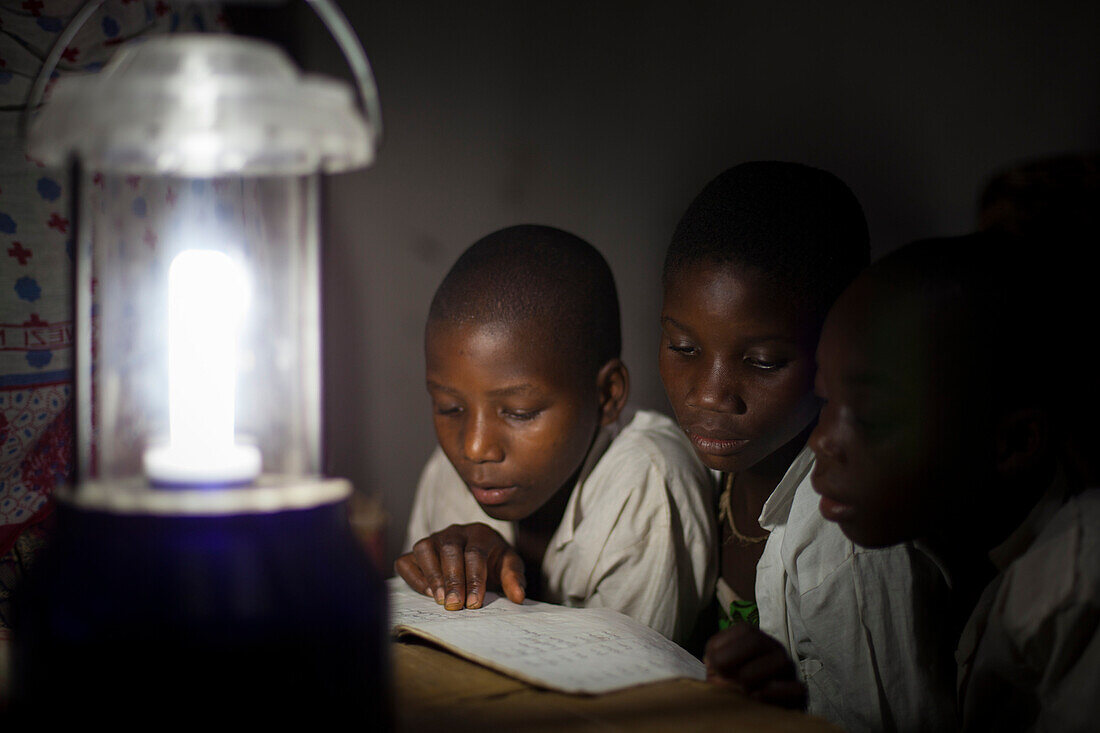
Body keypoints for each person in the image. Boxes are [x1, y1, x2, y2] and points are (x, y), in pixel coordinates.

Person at [660, 162, 956, 729]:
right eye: (682, 347)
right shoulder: (704, 475)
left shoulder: (847, 541)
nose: (710, 394)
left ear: (838, 346)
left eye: (764, 362)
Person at [809, 235, 1100, 728]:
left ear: (1013, 442)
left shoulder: (1076, 588)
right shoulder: (940, 535)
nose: (821, 440)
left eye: (872, 418)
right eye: (824, 401)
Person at [395, 225, 716, 644]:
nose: (474, 447)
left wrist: (508, 593)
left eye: (519, 412)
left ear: (606, 395)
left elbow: (617, 690)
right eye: (449, 408)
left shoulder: (648, 478)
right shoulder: (447, 476)